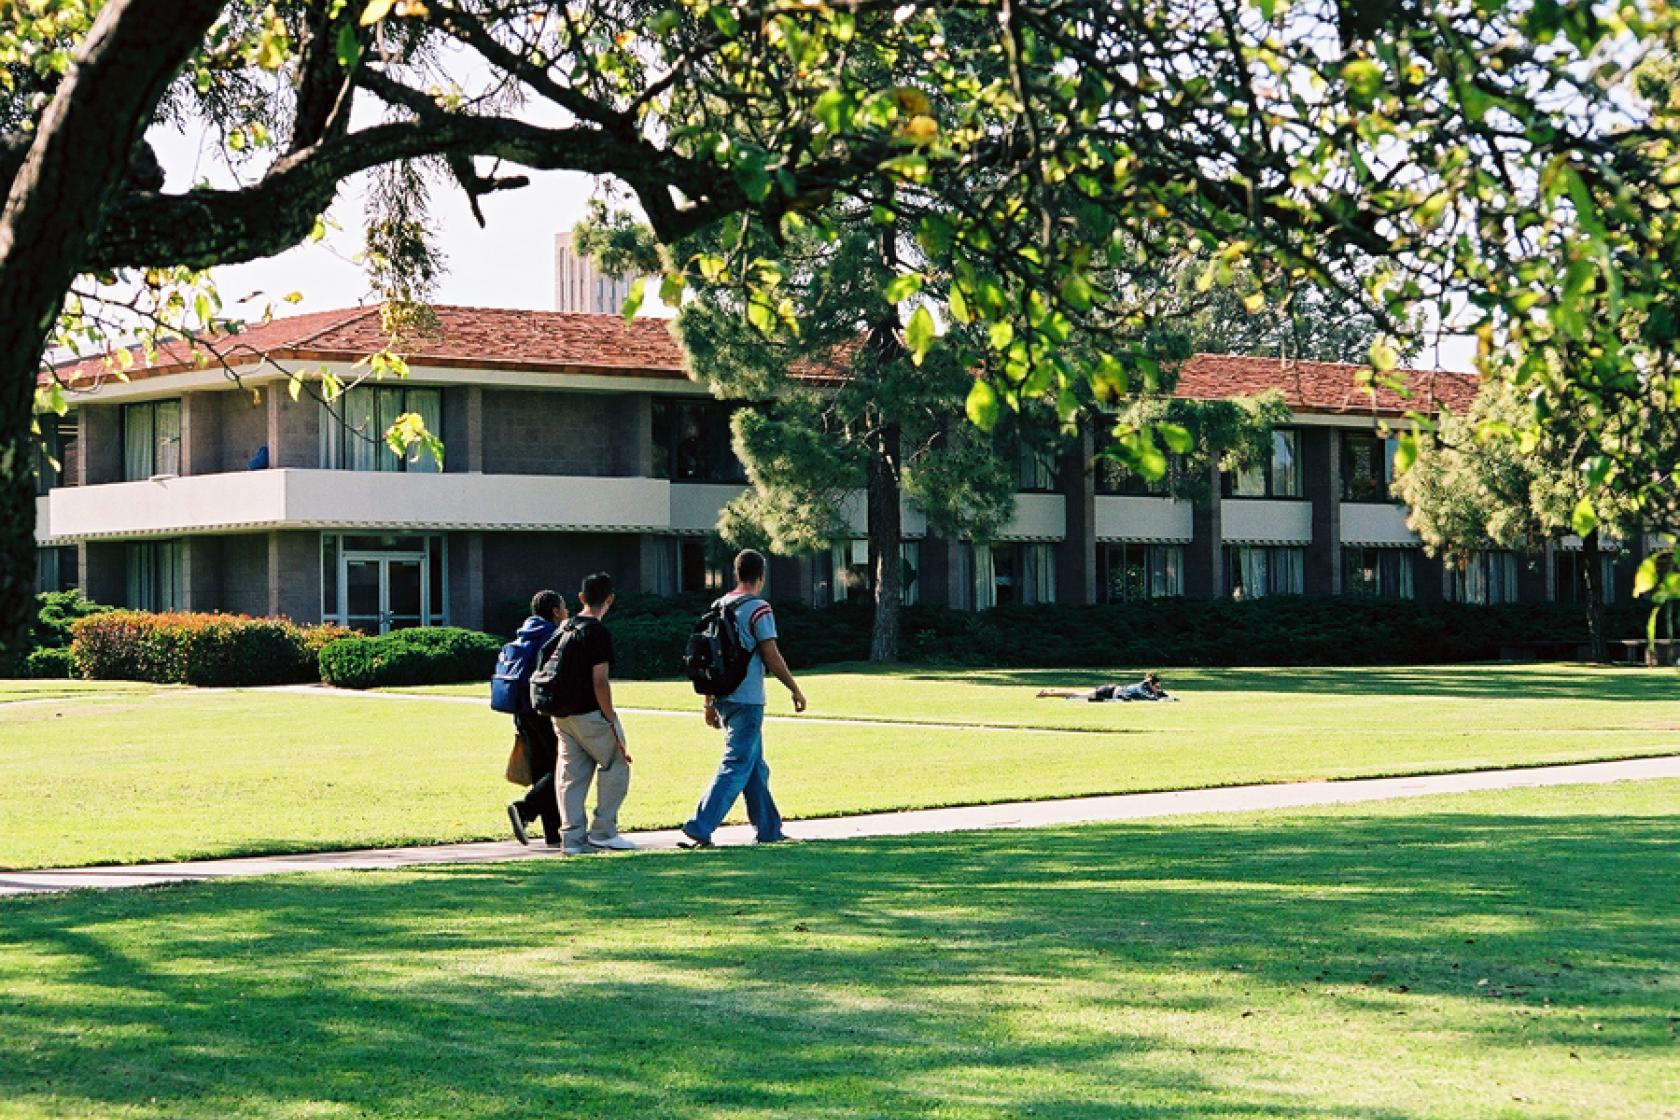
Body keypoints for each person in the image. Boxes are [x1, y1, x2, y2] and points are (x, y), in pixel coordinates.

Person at [679, 549, 807, 849]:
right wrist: (794, 688)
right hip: (748, 697)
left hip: (723, 695)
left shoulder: (718, 605)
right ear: (761, 577)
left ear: (736, 573)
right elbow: (771, 654)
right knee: (737, 762)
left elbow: (708, 656)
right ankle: (700, 825)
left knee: (754, 766)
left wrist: (708, 702)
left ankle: (769, 829)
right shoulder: (759, 608)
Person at [547, 572, 636, 855]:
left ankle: (572, 840)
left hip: (560, 713)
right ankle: (604, 832)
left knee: (571, 776)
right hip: (589, 713)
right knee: (617, 762)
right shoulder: (597, 632)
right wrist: (610, 717)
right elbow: (600, 679)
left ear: (581, 598)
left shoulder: (564, 627)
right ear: (609, 599)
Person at [505, 589, 567, 846]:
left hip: (522, 710)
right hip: (543, 709)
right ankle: (526, 809)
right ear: (554, 611)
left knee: (544, 767)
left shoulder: (524, 634)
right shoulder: (552, 635)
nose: (567, 613)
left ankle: (552, 833)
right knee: (563, 767)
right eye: (564, 608)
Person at [1036, 672, 1178, 703]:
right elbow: (1148, 697)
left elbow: (1162, 694)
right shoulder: (1142, 687)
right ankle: (1049, 693)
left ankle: (1051, 693)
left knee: (1078, 697)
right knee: (1079, 695)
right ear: (1151, 684)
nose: (1158, 688)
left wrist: (1171, 698)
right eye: (1157, 686)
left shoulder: (1151, 688)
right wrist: (1158, 699)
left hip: (1112, 693)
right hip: (1109, 691)